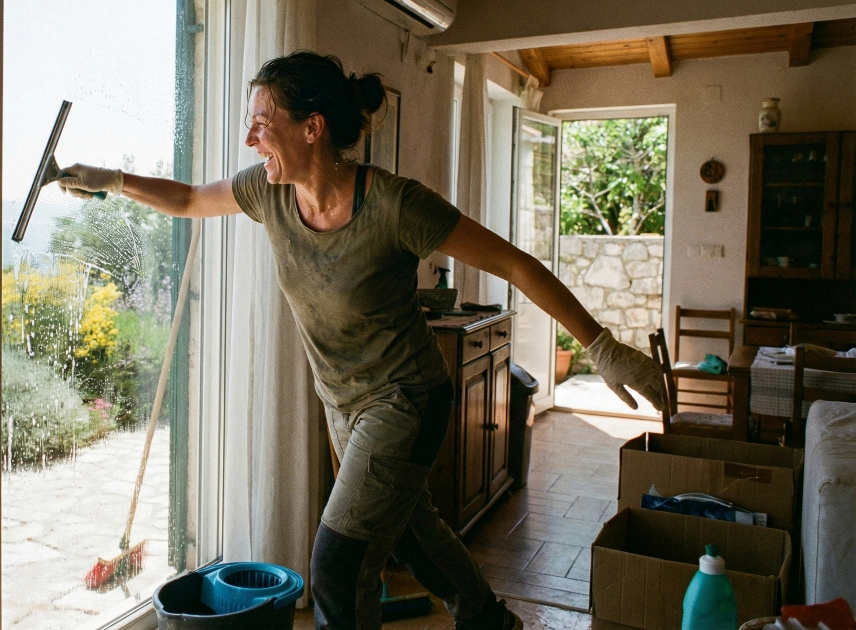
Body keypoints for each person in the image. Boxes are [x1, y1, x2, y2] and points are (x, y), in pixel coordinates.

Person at [57, 51, 664, 630]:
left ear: (312, 128)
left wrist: (603, 347)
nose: (250, 141)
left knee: (339, 564)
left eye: (262, 125)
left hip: (407, 398)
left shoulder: (395, 205)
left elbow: (519, 267)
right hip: (341, 402)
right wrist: (108, 178)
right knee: (407, 529)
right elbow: (189, 199)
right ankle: (488, 618)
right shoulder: (267, 193)